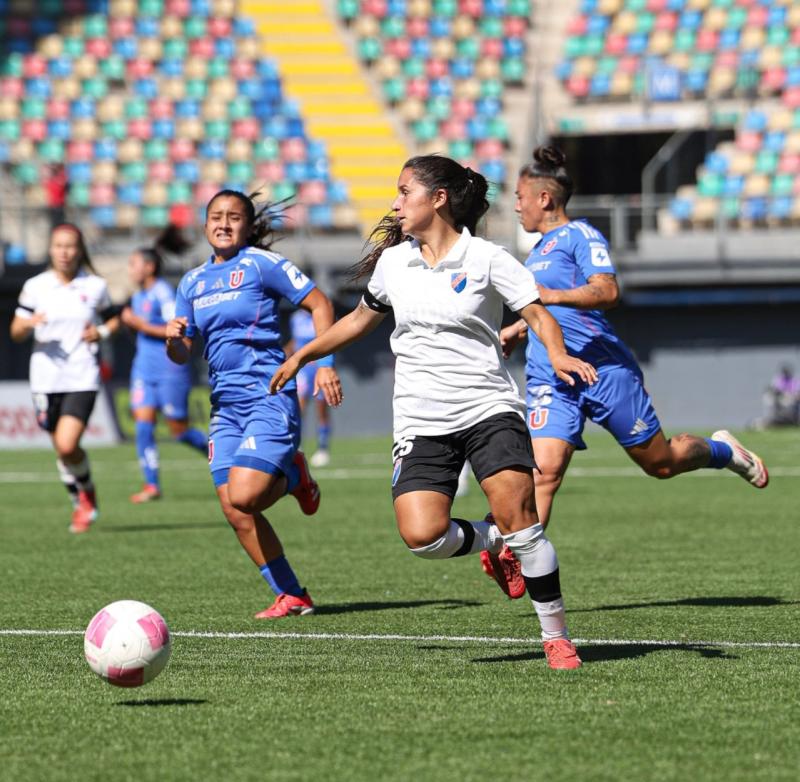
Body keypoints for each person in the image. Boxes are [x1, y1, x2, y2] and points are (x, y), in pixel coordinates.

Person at [271, 155, 598, 670]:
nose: (396, 203)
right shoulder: (394, 263)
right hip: (422, 421)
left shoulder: (488, 258)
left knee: (523, 518)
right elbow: (359, 320)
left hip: (489, 407)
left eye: (405, 192)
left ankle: (556, 636)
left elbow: (537, 313)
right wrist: (304, 355)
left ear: (438, 199)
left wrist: (557, 354)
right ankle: (498, 540)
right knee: (422, 537)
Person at [501, 145, 769, 530]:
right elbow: (551, 313)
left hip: (603, 370)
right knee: (543, 472)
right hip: (552, 375)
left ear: (544, 199)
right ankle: (527, 567)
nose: (516, 206)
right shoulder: (537, 251)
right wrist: (520, 327)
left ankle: (724, 452)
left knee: (660, 463)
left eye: (520, 197)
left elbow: (607, 291)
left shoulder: (581, 235)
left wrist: (551, 295)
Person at [165, 190, 341, 619]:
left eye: (234, 217)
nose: (224, 223)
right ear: (204, 225)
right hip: (225, 406)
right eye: (216, 217)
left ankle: (294, 474)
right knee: (232, 506)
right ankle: (292, 595)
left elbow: (319, 303)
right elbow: (182, 353)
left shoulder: (261, 264)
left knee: (246, 495)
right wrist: (173, 338)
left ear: (247, 225)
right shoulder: (191, 283)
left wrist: (323, 363)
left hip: (269, 394)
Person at [10, 223, 119, 533]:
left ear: (80, 249)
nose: (64, 252)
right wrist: (29, 323)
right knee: (60, 448)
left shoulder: (95, 286)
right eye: (59, 246)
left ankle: (87, 494)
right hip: (44, 379)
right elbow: (15, 332)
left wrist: (98, 332)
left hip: (82, 374)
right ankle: (80, 500)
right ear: (50, 249)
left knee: (68, 444)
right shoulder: (35, 286)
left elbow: (114, 320)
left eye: (70, 246)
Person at [120, 242, 208, 503]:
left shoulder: (163, 293)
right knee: (143, 427)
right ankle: (151, 485)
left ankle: (220, 455)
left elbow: (176, 328)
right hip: (143, 371)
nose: (130, 269)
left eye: (133, 263)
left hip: (170, 370)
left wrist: (140, 325)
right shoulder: (137, 296)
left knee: (179, 430)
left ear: (149, 267)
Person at [285, 307, 334, 467]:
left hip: (319, 368)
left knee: (321, 409)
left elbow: (329, 340)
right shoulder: (295, 318)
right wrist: (287, 351)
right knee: (299, 408)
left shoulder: (322, 314)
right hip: (303, 371)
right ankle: (297, 446)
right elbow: (295, 341)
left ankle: (323, 448)